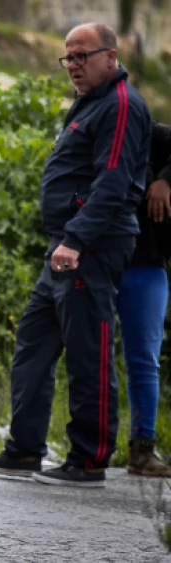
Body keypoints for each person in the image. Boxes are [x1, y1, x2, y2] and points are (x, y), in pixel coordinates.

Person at [0, 22, 152, 488]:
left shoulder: (119, 106)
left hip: (90, 248)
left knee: (88, 352)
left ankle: (89, 459)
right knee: (33, 343)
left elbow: (113, 182)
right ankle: (25, 449)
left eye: (83, 56)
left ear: (111, 57)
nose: (74, 65)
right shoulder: (90, 101)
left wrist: (75, 241)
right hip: (64, 246)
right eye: (68, 57)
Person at [120, 119, 171, 477]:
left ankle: (142, 449)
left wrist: (165, 180)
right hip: (98, 259)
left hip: (146, 261)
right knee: (89, 353)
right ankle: (89, 449)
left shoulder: (142, 127)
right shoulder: (87, 125)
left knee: (144, 360)